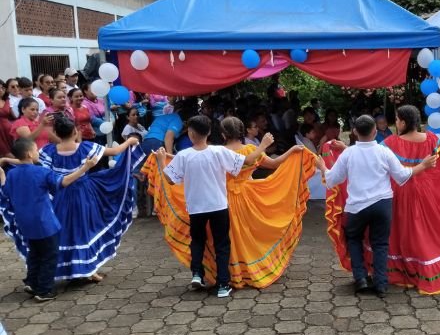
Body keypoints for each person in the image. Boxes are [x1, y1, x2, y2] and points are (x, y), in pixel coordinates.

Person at [323, 106, 440, 294]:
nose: (395, 123)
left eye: (397, 120)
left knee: (400, 231)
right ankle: (421, 267)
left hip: (401, 190)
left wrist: (346, 149)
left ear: (404, 122)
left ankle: (396, 267)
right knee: (423, 230)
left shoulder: (391, 142)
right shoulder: (430, 138)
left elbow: (368, 153)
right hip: (426, 191)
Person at [145, 117, 313, 290]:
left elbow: (195, 158)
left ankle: (215, 275)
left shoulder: (217, 151)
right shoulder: (245, 150)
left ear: (223, 134)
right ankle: (242, 273)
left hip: (221, 199)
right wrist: (292, 150)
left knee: (215, 240)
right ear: (241, 131)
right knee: (244, 237)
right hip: (244, 200)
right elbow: (274, 163)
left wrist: (164, 159)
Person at [317, 115, 437, 298]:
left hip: (356, 207)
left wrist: (323, 166)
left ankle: (361, 280)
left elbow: (332, 180)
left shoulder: (348, 154)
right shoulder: (383, 151)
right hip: (382, 204)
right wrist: (423, 165)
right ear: (375, 131)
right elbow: (402, 176)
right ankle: (381, 284)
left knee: (354, 240)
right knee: (380, 243)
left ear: (355, 132)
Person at [154, 115, 272, 298]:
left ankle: (197, 274)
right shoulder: (218, 152)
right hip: (218, 206)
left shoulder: (184, 155)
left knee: (198, 241)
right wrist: (263, 146)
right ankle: (223, 284)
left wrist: (162, 161)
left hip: (196, 208)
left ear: (190, 134)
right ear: (209, 132)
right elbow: (247, 161)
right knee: (222, 244)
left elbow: (169, 180)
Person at [33, 117, 142, 281]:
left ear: (56, 133)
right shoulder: (86, 147)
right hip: (83, 193)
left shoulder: (48, 151)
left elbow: (35, 161)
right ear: (75, 131)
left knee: (66, 229)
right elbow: (114, 152)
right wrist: (129, 142)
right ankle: (89, 270)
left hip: (60, 195)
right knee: (85, 228)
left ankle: (71, 268)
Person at [0, 138, 99, 301]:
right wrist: (85, 167)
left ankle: (32, 282)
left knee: (35, 253)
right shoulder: (41, 172)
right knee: (49, 255)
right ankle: (44, 290)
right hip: (44, 222)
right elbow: (64, 181)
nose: (38, 151)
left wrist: (2, 174)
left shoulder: (13, 174)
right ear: (29, 154)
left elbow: (6, 192)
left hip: (24, 222)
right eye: (35, 149)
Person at [0, 81, 15, 158]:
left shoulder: (7, 100)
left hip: (8, 129)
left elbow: (15, 116)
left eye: (2, 88)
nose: (1, 90)